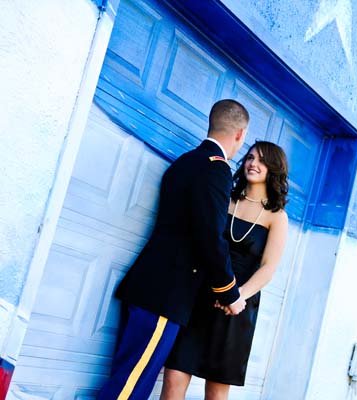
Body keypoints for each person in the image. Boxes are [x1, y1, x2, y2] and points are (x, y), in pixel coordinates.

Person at [97, 99, 250, 399]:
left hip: (149, 289)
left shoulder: (186, 162)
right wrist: (230, 293)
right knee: (128, 389)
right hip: (164, 297)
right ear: (240, 134)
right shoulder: (216, 171)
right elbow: (210, 237)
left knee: (126, 380)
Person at [160, 141, 289, 400]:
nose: (254, 164)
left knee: (216, 392)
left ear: (273, 169)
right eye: (250, 157)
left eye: (262, 161)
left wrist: (236, 296)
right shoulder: (226, 198)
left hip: (237, 309)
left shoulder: (277, 216)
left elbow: (268, 268)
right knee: (174, 377)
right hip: (199, 298)